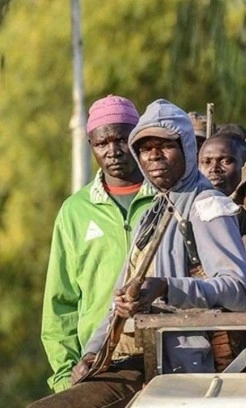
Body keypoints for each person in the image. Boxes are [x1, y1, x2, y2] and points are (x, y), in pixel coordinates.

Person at [30, 99, 246, 408]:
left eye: (165, 146)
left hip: (182, 365)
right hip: (137, 357)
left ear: (187, 149)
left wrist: (166, 287)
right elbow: (119, 301)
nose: (154, 156)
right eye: (146, 148)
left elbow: (239, 290)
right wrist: (93, 353)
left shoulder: (206, 206)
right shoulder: (153, 212)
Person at [39, 95, 155, 393]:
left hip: (167, 352)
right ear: (91, 145)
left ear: (138, 139)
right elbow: (60, 302)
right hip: (101, 361)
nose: (113, 151)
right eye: (102, 143)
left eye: (122, 140)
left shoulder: (165, 198)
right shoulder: (75, 211)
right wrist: (65, 376)